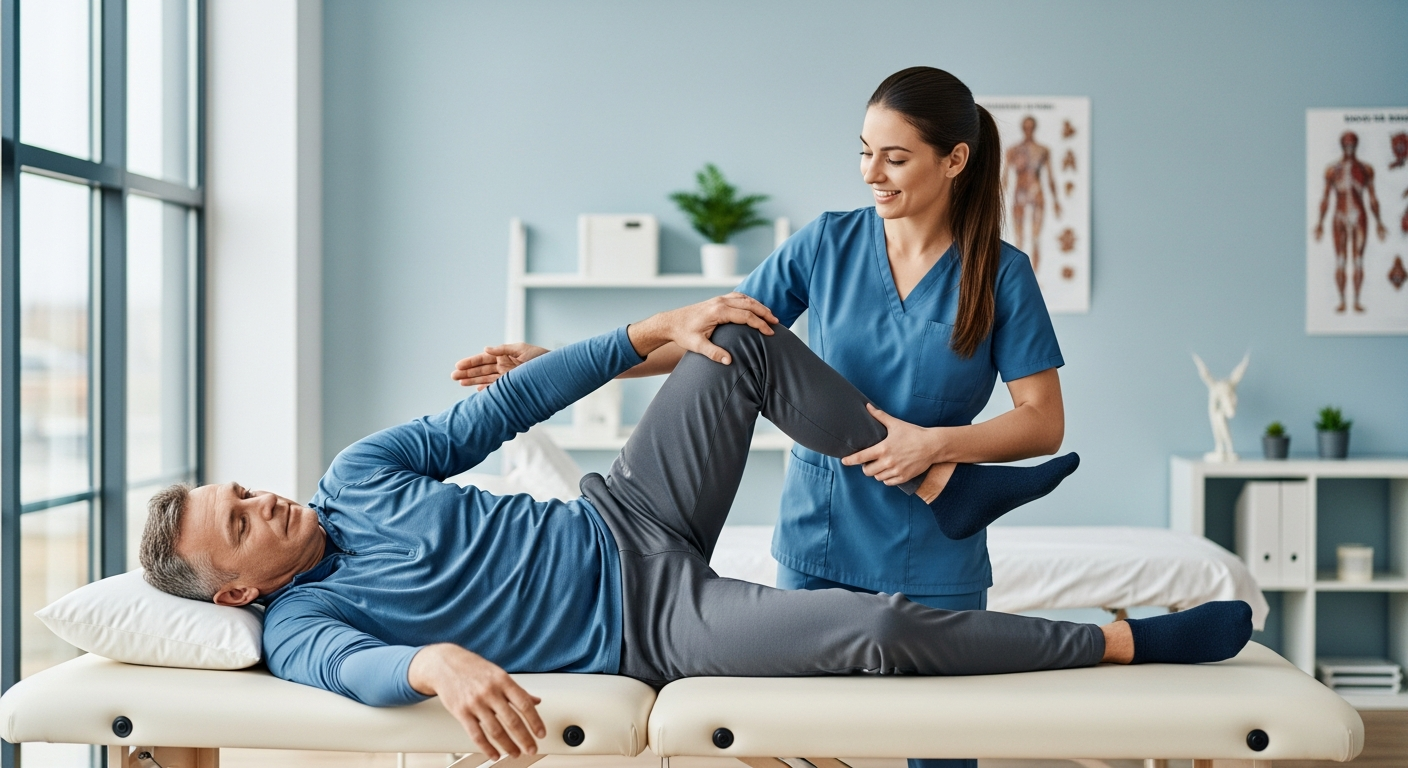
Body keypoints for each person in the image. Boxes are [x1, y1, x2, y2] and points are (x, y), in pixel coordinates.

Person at [143, 298, 1253, 762]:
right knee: (872, 633)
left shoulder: (355, 475)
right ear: (233, 590)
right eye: (236, 523)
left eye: (242, 489)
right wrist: (432, 661)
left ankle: (939, 486)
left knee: (734, 338)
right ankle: (1125, 639)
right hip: (657, 626)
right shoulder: (300, 624)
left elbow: (504, 409)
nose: (261, 502)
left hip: (626, 514)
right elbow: (359, 669)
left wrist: (655, 329)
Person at [459, 68, 1077, 768]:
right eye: (864, 151)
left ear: (954, 160)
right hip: (822, 534)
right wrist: (561, 360)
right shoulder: (829, 244)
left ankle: (948, 488)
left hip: (934, 552)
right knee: (794, 738)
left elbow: (1040, 422)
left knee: (942, 748)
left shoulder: (1002, 273)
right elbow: (717, 337)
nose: (872, 173)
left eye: (895, 158)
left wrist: (934, 444)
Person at [1314, 130, 1388, 313]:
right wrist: (1320, 223)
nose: (1349, 147)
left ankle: (1356, 301)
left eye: (1352, 143)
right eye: (1346, 143)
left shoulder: (1366, 169)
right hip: (1339, 216)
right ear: (1341, 145)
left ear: (1357, 145)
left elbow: (1373, 198)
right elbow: (1325, 198)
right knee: (1340, 260)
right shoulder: (1332, 170)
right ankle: (1341, 301)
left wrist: (1379, 221)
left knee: (1358, 260)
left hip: (1359, 215)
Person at [1006, 115, 1062, 271]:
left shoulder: (1043, 150)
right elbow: (1004, 178)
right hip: (1020, 192)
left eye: (1031, 126)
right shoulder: (1013, 150)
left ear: (1034, 128)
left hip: (1036, 191)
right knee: (1018, 238)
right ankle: (1017, 275)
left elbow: (1050, 177)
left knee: (1036, 237)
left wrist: (1056, 200)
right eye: (1026, 126)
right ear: (1023, 128)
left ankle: (1035, 276)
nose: (1028, 129)